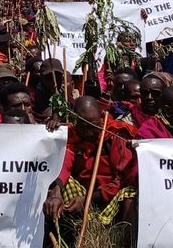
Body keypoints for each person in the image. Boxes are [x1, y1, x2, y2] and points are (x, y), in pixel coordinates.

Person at [43, 96, 138, 226]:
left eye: (93, 126)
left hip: (108, 197)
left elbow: (122, 179)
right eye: (83, 127)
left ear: (101, 117)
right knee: (61, 183)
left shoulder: (115, 134)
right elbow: (64, 164)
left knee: (128, 192)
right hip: (81, 197)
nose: (88, 133)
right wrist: (56, 191)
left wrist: (89, 199)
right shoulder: (73, 134)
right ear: (75, 122)